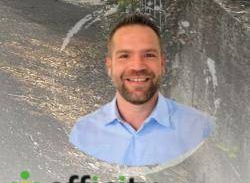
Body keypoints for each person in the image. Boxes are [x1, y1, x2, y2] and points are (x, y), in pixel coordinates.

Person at [69, 13, 214, 166]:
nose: (137, 66)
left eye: (149, 55)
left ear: (162, 63)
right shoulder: (83, 132)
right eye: (124, 56)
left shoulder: (199, 126)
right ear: (109, 65)